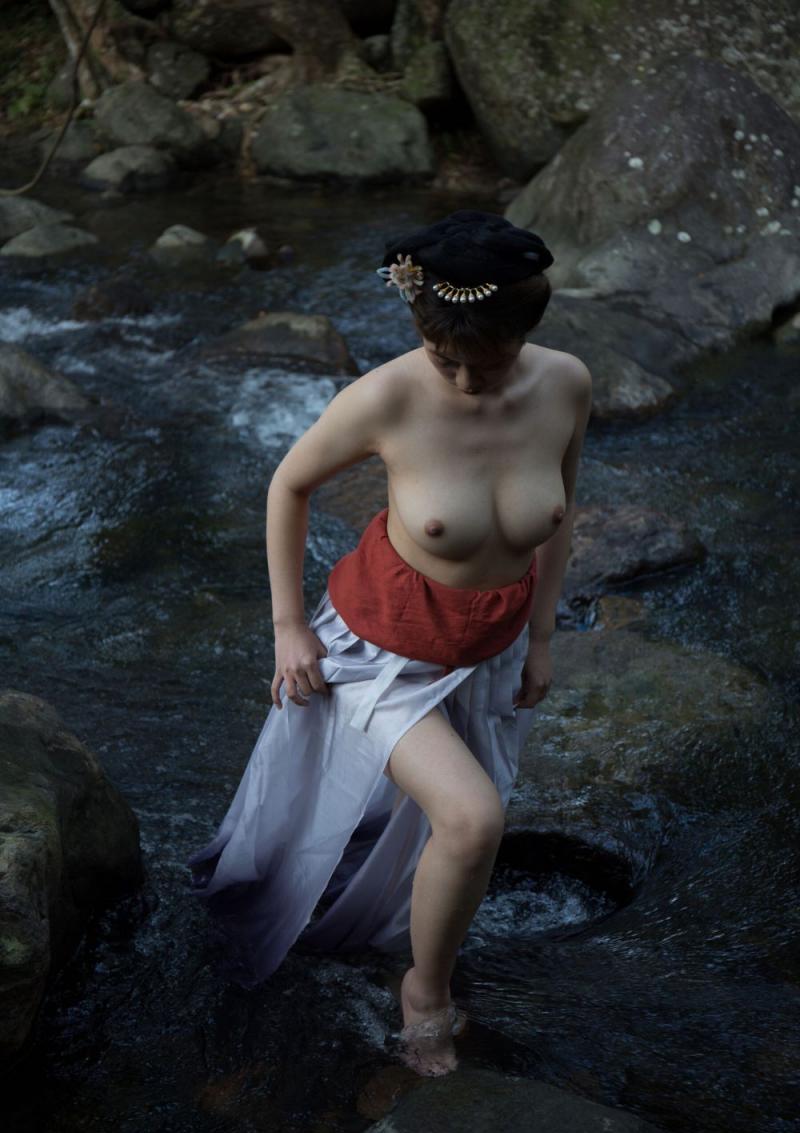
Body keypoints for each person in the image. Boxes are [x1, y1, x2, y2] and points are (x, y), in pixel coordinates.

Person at [185, 209, 592, 1076]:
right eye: (445, 359)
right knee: (473, 821)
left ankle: (403, 931)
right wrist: (288, 627)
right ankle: (426, 994)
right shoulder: (387, 397)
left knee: (440, 829)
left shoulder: (566, 385)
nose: (466, 380)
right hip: (382, 653)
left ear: (526, 330)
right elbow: (288, 485)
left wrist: (543, 635)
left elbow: (558, 516)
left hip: (491, 646)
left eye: (488, 362)